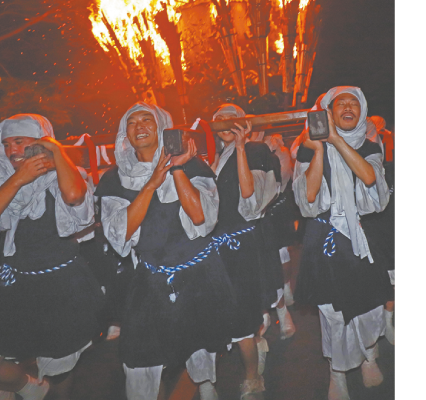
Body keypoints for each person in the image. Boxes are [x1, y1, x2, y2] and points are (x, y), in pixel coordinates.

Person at [97, 103, 235, 400]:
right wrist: (150, 185)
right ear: (125, 134)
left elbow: (200, 216)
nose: (140, 125)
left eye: (147, 119)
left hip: (198, 275)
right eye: (131, 122)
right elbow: (120, 232)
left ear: (162, 126)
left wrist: (177, 167)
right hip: (149, 279)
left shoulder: (195, 166)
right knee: (139, 356)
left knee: (200, 342)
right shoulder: (113, 179)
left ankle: (207, 389)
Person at [0, 114, 105, 400]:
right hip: (14, 286)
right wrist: (19, 178)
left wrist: (56, 152)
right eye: (6, 144)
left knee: (59, 367)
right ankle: (31, 388)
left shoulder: (68, 171)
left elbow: (76, 197)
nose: (12, 150)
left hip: (64, 287)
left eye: (19, 141)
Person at [293, 87, 392, 400]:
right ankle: (337, 373)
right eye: (341, 104)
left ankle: (369, 356)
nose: (348, 107)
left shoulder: (369, 144)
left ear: (361, 110)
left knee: (369, 308)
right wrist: (320, 150)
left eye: (354, 103)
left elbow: (370, 178)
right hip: (326, 241)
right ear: (328, 111)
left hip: (364, 237)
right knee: (333, 313)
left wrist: (335, 140)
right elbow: (309, 198)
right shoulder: (308, 148)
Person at [208, 104, 284, 398]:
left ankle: (253, 375)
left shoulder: (255, 150)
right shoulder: (210, 158)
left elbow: (249, 196)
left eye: (232, 118)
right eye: (219, 119)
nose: (226, 123)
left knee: (241, 308)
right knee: (221, 307)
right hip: (215, 245)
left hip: (242, 242)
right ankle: (254, 340)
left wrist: (240, 148)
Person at [254, 132, 298, 337]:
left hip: (275, 209)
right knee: (258, 268)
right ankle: (264, 314)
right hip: (251, 219)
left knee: (279, 255)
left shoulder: (276, 151)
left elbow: (282, 179)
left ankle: (284, 297)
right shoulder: (235, 152)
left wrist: (271, 152)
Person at [364, 115, 396, 344]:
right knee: (374, 285)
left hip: (390, 233)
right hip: (366, 235)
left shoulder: (390, 168)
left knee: (391, 282)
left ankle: (388, 321)